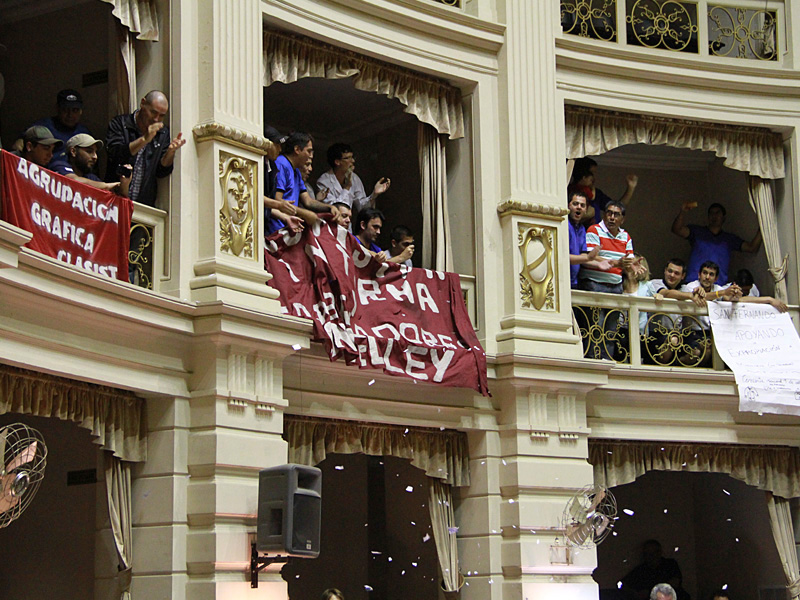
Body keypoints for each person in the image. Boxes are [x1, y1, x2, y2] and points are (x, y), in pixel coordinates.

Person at [105, 90, 186, 207]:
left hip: (142, 207)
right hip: (112, 201)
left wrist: (170, 152)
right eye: (153, 112)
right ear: (142, 103)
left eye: (162, 116)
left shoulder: (162, 133)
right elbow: (115, 154)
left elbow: (161, 171)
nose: (156, 119)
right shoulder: (120, 123)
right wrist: (144, 139)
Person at [671, 201, 762, 285]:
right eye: (711, 213)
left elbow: (752, 247)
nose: (714, 216)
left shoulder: (729, 239)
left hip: (717, 287)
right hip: (694, 284)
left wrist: (764, 226)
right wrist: (682, 211)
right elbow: (677, 229)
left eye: (717, 213)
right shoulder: (697, 232)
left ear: (724, 218)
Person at [267, 132, 338, 234]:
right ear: (297, 150)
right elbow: (278, 200)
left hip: (290, 227)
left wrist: (329, 207)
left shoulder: (296, 171)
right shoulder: (281, 164)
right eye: (309, 151)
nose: (311, 156)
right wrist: (305, 214)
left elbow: (308, 201)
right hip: (277, 228)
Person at [316, 143, 391, 211]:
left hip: (347, 225)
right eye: (348, 158)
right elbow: (336, 210)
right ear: (337, 162)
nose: (353, 161)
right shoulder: (323, 181)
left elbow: (362, 208)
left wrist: (374, 194)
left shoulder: (354, 177)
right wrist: (347, 188)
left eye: (352, 157)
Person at [30, 88, 92, 168]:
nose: (70, 115)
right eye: (65, 110)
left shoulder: (84, 133)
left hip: (75, 176)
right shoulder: (44, 126)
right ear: (57, 109)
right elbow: (20, 145)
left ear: (81, 111)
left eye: (75, 110)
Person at [54, 134, 131, 195]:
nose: (95, 157)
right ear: (73, 151)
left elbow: (119, 196)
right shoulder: (59, 165)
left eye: (95, 152)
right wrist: (106, 186)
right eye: (89, 151)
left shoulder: (91, 177)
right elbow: (73, 181)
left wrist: (124, 184)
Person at [570, 156, 638, 224]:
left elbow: (617, 207)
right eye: (592, 173)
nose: (594, 177)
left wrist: (631, 187)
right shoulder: (568, 191)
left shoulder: (597, 194)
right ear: (584, 175)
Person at [620, 540, 690, 600]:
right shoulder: (641, 570)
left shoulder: (670, 564)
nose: (651, 556)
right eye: (648, 553)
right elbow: (623, 584)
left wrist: (649, 592)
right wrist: (635, 594)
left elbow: (674, 583)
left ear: (659, 553)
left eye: (653, 553)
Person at [567, 188, 601, 288]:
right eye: (575, 204)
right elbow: (562, 257)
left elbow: (582, 257)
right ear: (568, 205)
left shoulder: (582, 228)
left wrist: (600, 264)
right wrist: (587, 257)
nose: (579, 207)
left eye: (582, 205)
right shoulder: (564, 225)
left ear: (586, 210)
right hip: (560, 279)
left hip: (574, 282)